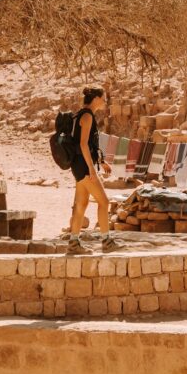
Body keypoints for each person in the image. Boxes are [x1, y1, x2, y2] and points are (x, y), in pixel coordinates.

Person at [66, 87, 122, 255]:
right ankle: (107, 241)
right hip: (84, 166)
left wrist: (101, 161)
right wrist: (91, 168)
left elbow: (87, 145)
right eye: (103, 98)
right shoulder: (88, 116)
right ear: (96, 98)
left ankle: (74, 243)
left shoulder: (80, 114)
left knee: (81, 204)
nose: (105, 101)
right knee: (104, 202)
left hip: (78, 165)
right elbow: (83, 144)